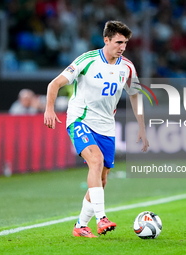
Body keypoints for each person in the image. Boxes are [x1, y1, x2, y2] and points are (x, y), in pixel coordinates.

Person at [44, 20, 149, 238]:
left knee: (101, 180)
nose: (122, 47)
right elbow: (54, 84)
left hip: (106, 126)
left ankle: (80, 226)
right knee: (96, 160)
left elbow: (135, 95)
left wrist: (141, 126)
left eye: (126, 43)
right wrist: (49, 110)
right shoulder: (87, 60)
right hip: (80, 119)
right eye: (119, 42)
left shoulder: (127, 67)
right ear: (106, 40)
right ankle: (102, 218)